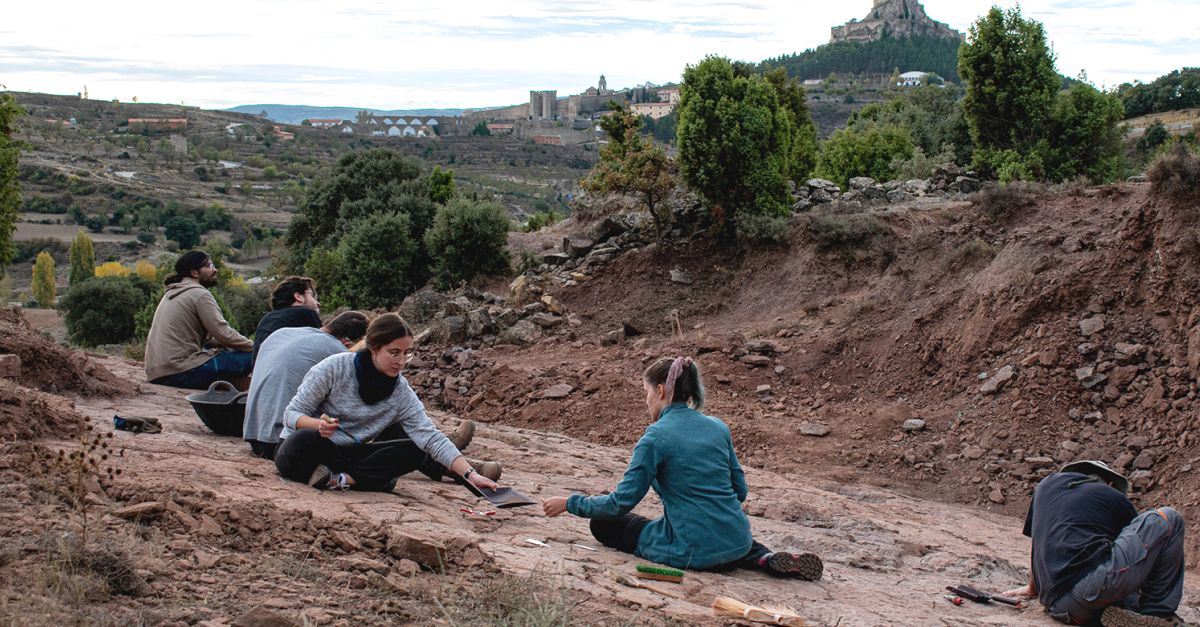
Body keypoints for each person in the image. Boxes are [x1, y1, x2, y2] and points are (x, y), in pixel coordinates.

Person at [542, 357, 823, 579]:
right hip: (737, 538)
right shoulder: (717, 427)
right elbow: (740, 490)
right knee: (726, 533)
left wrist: (570, 502)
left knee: (606, 523)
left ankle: (721, 549)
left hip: (691, 550)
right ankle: (762, 557)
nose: (646, 400)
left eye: (647, 392)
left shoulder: (654, 438)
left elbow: (620, 503)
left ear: (661, 390)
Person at [274, 313, 501, 493]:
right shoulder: (333, 368)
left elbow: (430, 437)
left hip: (350, 457)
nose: (401, 362)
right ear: (374, 348)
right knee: (303, 440)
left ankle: (345, 480)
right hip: (315, 449)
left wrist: (470, 475)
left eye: (406, 354)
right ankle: (373, 480)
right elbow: (291, 415)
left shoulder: (401, 391)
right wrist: (317, 425)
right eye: (394, 353)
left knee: (415, 447)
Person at [1003, 460, 1188, 627]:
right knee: (1169, 518)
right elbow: (1144, 555)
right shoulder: (1113, 496)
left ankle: (1108, 615)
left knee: (1106, 570)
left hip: (1059, 607)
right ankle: (1159, 614)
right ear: (1110, 483)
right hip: (1090, 592)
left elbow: (1039, 544)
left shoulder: (1045, 486)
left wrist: (1033, 588)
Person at [243, 310, 369, 460]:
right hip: (283, 441)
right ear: (348, 343)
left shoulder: (282, 333)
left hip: (253, 434)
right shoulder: (338, 352)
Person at [144, 251, 253, 389]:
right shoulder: (200, 294)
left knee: (222, 352)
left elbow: (207, 339)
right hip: (180, 372)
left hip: (158, 372)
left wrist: (222, 345)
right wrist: (258, 346)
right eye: (209, 266)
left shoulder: (173, 292)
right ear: (195, 273)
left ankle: (229, 386)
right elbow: (224, 334)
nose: (215, 270)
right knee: (253, 355)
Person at [251, 276, 323, 366]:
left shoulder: (266, 319)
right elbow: (323, 349)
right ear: (298, 296)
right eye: (312, 296)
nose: (318, 303)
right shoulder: (306, 313)